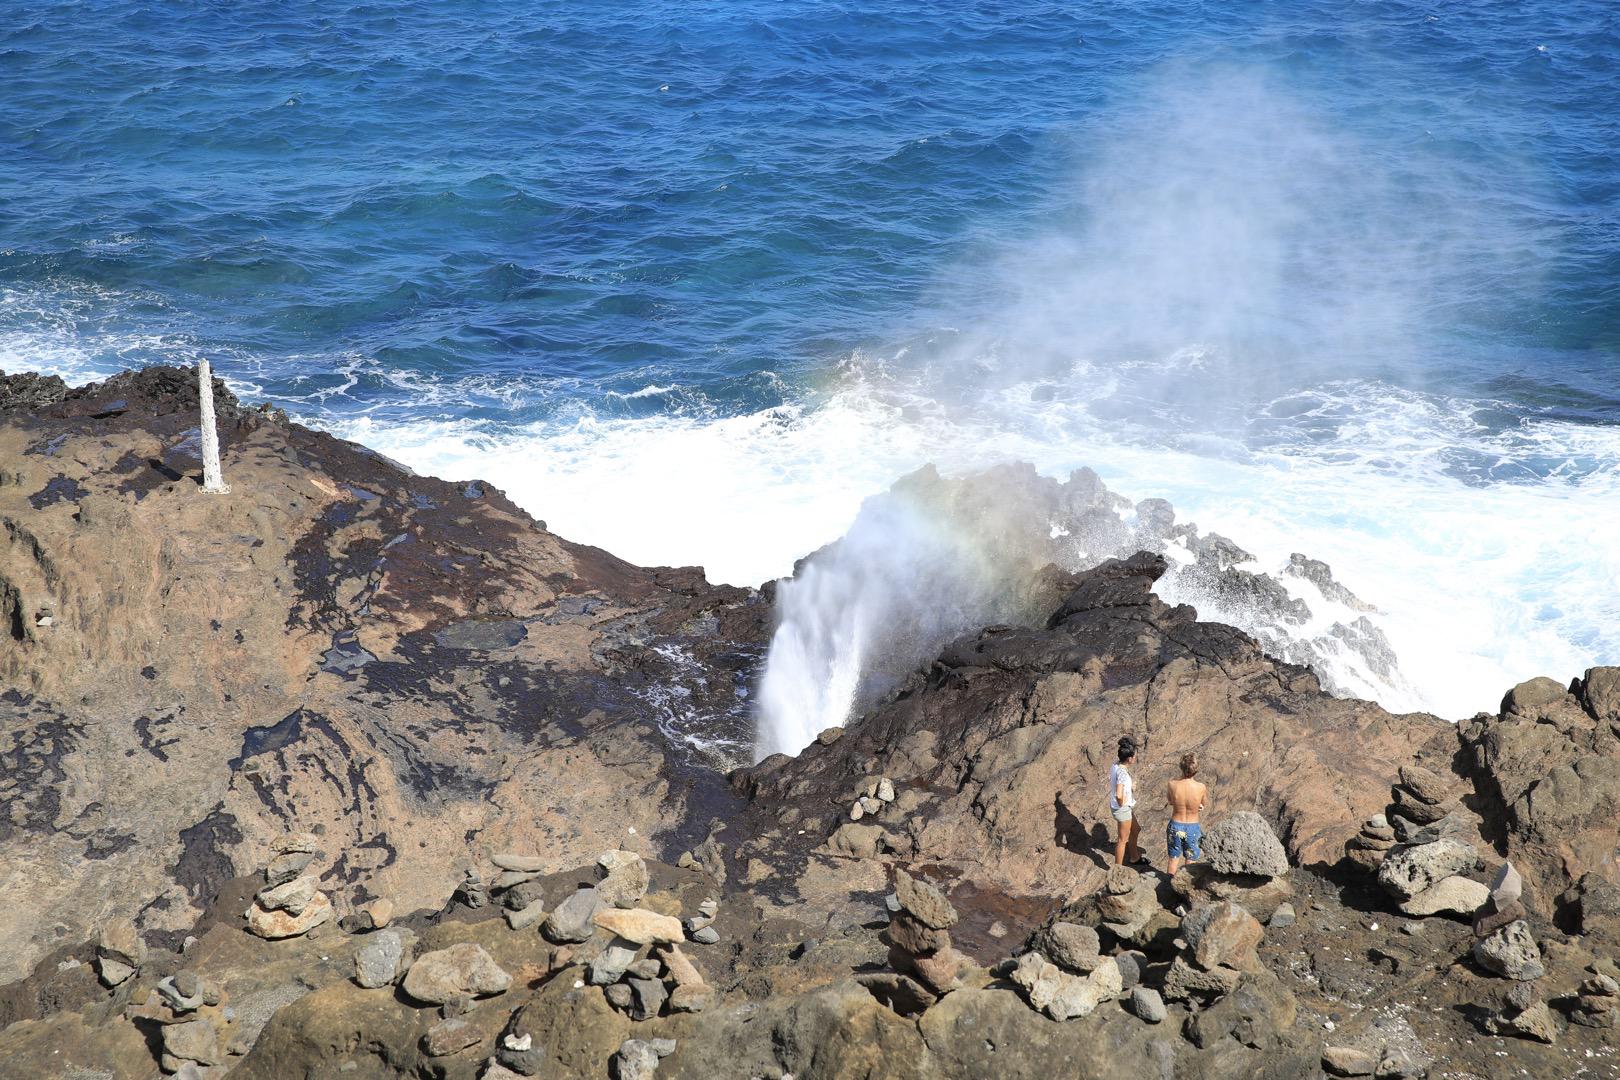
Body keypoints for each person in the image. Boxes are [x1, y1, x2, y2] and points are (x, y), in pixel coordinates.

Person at [1166, 752, 1209, 876]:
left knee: (1173, 859)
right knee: (1190, 862)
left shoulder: (1172, 784)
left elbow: (1170, 801)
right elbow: (1202, 804)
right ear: (1196, 769)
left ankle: (1168, 887)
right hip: (1192, 827)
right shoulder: (1201, 787)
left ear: (1181, 767)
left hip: (1175, 825)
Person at [1109, 736, 1143, 866]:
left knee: (1136, 829)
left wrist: (1130, 787)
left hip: (1122, 807)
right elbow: (1119, 794)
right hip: (1122, 808)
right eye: (1135, 756)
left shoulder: (1115, 764)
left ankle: (1134, 857)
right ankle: (1117, 869)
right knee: (1122, 840)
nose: (1135, 758)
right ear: (1130, 758)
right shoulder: (1122, 773)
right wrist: (1122, 802)